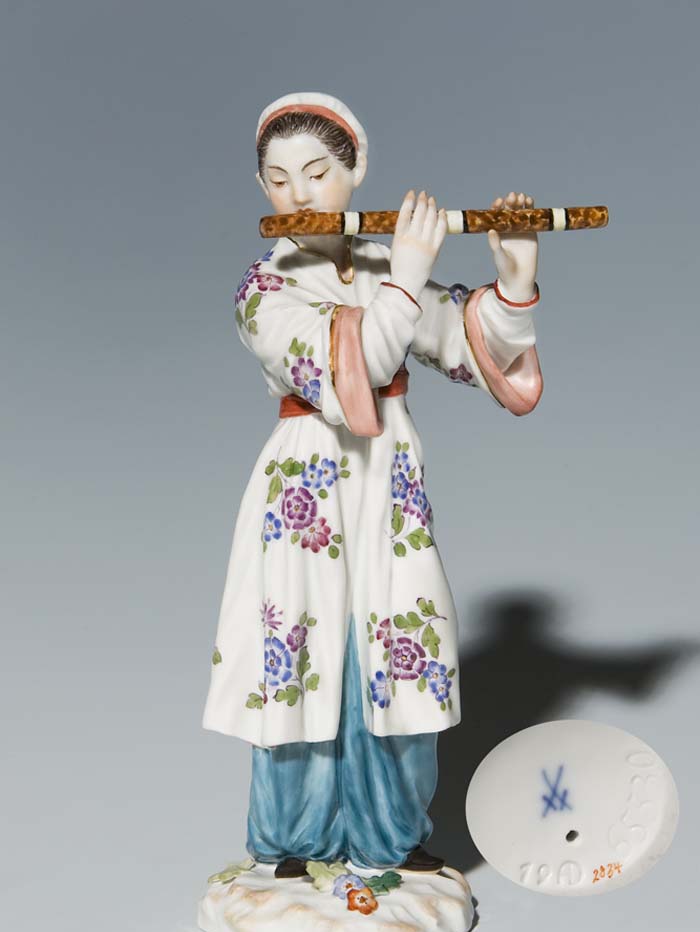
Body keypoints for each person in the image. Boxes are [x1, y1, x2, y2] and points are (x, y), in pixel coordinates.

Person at [203, 92, 543, 877]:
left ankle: (391, 834)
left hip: (388, 480)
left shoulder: (385, 264)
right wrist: (409, 276)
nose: (299, 193)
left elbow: (468, 346)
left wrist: (514, 275)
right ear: (262, 188)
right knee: (301, 648)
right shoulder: (264, 290)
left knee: (402, 642)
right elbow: (353, 371)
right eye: (279, 179)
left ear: (356, 170)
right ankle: (294, 843)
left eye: (318, 172)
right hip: (307, 489)